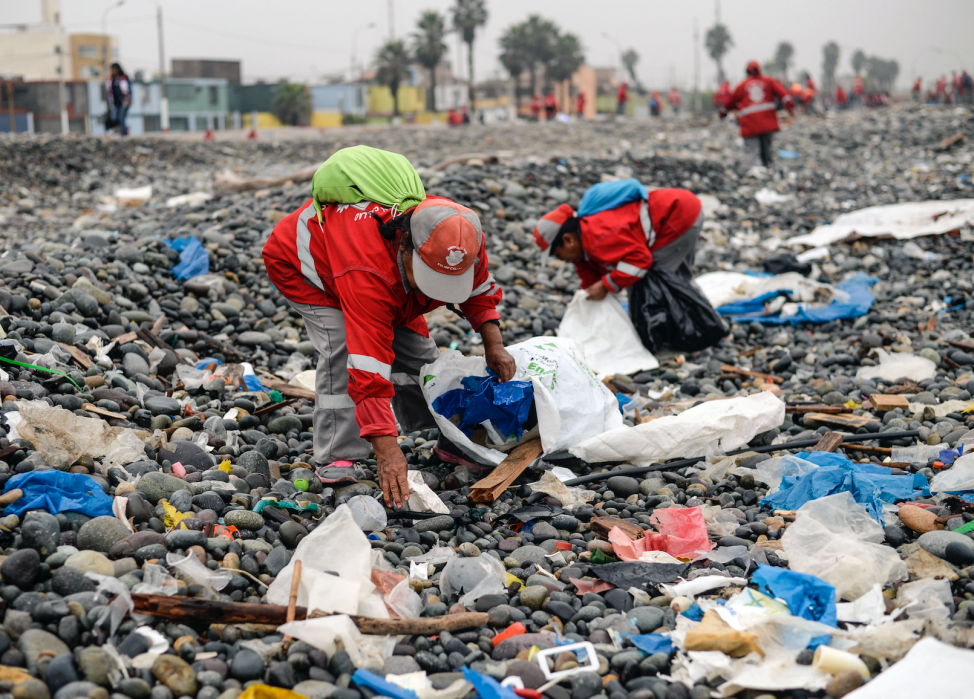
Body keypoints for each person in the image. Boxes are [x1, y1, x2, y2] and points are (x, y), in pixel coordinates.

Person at [262, 146, 515, 508]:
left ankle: (448, 439)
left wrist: (495, 344)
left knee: (423, 358)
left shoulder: (458, 235)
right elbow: (368, 364)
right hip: (307, 270)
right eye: (430, 278)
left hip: (390, 282)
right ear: (406, 246)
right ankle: (337, 453)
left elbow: (478, 288)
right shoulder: (369, 269)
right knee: (344, 347)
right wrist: (387, 449)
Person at [533, 183, 711, 342]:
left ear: (568, 240)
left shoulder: (598, 237)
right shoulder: (585, 239)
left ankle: (682, 334)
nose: (562, 259)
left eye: (558, 254)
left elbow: (641, 261)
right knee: (677, 279)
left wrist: (605, 285)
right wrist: (590, 288)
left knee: (654, 283)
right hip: (685, 207)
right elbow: (588, 267)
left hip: (678, 216)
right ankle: (703, 322)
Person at [719, 61, 794, 168]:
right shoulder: (768, 81)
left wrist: (722, 113)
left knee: (751, 151)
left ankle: (752, 173)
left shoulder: (742, 86)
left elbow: (730, 103)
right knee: (766, 149)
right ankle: (768, 169)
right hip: (767, 124)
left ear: (747, 71)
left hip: (750, 125)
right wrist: (791, 110)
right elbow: (785, 97)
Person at [105, 62, 131, 136]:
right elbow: (109, 91)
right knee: (114, 117)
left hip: (123, 101)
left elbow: (129, 89)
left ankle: (123, 132)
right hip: (114, 101)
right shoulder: (111, 79)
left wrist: (129, 99)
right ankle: (123, 129)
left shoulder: (124, 77)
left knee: (121, 117)